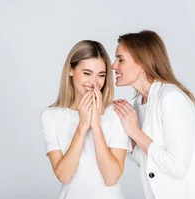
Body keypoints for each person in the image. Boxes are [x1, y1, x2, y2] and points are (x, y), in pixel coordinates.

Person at [111, 30, 195, 199]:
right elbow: (144, 158)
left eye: (120, 59)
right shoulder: (140, 103)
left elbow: (177, 168)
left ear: (142, 63)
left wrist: (135, 132)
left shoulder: (171, 98)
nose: (114, 65)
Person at [40, 40, 131, 199]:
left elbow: (111, 178)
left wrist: (96, 127)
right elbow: (64, 176)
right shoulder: (50, 116)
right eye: (87, 73)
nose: (94, 83)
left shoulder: (116, 113)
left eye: (101, 75)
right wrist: (82, 126)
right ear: (71, 70)